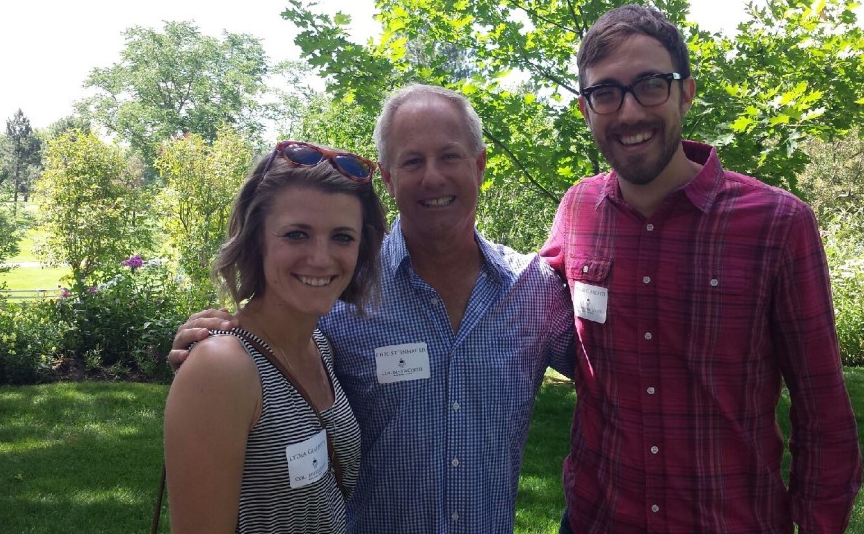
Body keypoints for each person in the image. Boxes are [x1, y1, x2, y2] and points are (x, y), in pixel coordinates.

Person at [170, 84, 576, 533]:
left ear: (479, 165)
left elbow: (616, 373)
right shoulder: (341, 293)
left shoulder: (535, 291)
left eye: (450, 156)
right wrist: (218, 344)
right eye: (412, 161)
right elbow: (268, 338)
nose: (433, 177)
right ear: (387, 176)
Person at [541, 5, 864, 533]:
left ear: (685, 92)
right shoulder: (577, 210)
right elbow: (516, 300)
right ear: (586, 108)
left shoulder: (779, 224)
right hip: (597, 520)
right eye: (606, 92)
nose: (627, 113)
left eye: (650, 85)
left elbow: (824, 413)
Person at [163, 141, 386, 533]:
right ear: (256, 240)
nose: (320, 257)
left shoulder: (320, 347)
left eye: (342, 237)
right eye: (297, 234)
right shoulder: (223, 368)